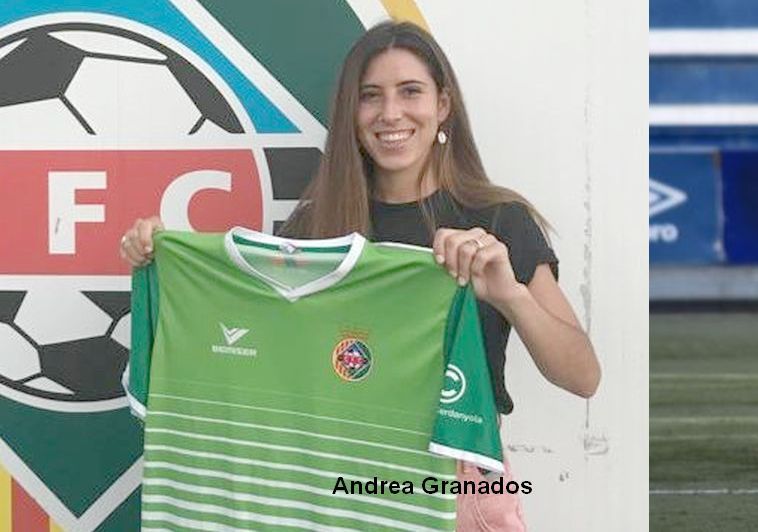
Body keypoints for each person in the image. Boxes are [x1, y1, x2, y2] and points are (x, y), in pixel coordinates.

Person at [117, 21, 601, 531]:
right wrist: (163, 261)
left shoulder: (499, 221)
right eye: (370, 97)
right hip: (334, 474)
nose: (390, 113)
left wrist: (511, 296)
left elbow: (583, 376)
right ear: (352, 112)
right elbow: (261, 347)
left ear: (443, 104)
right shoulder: (315, 226)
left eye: (409, 91)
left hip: (453, 479)